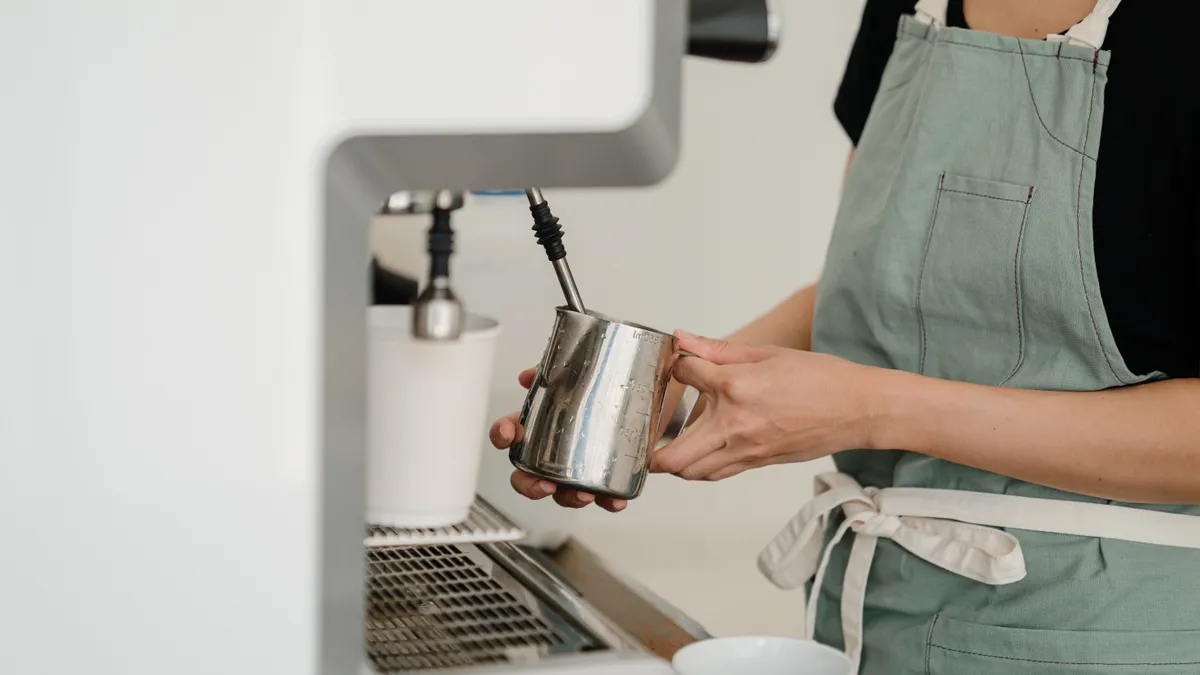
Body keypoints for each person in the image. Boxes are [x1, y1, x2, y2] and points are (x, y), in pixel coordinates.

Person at [491, 0, 1200, 672]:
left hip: (1108, 634)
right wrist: (671, 379)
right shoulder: (908, 9)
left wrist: (873, 406)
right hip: (872, 623)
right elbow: (875, 284)